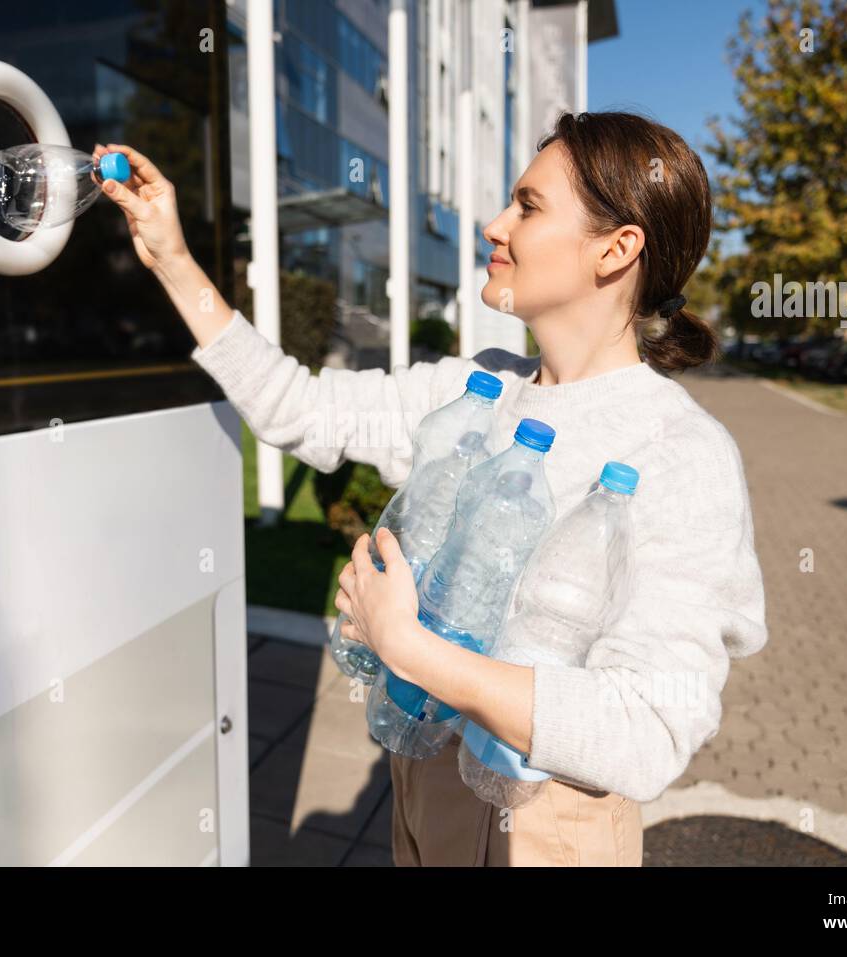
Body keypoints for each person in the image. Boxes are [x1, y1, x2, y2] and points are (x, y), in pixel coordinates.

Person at [96, 110, 768, 867]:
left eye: (529, 205)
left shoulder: (682, 453)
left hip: (546, 827)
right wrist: (173, 257)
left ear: (616, 249)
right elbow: (301, 407)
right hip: (421, 779)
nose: (493, 224)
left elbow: (649, 727)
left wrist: (408, 646)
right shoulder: (475, 388)